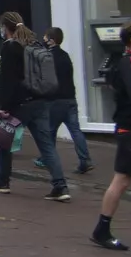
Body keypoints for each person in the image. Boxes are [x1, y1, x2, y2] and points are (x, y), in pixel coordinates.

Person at [0, 13, 68, 198]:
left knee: (5, 142)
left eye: (3, 28)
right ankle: (60, 186)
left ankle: (1, 181)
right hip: (40, 101)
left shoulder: (10, 47)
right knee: (46, 146)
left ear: (6, 28)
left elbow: (9, 81)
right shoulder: (33, 44)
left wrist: (4, 106)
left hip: (19, 105)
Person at [93, 19, 131, 250]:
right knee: (121, 180)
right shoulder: (128, 62)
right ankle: (102, 229)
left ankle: (102, 228)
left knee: (122, 180)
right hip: (130, 129)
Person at [34, 27, 94, 175]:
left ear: (52, 40)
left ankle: (46, 159)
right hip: (70, 98)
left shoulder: (47, 57)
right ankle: (85, 160)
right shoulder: (66, 56)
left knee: (49, 131)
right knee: (75, 130)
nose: (44, 40)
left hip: (56, 100)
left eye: (46, 38)